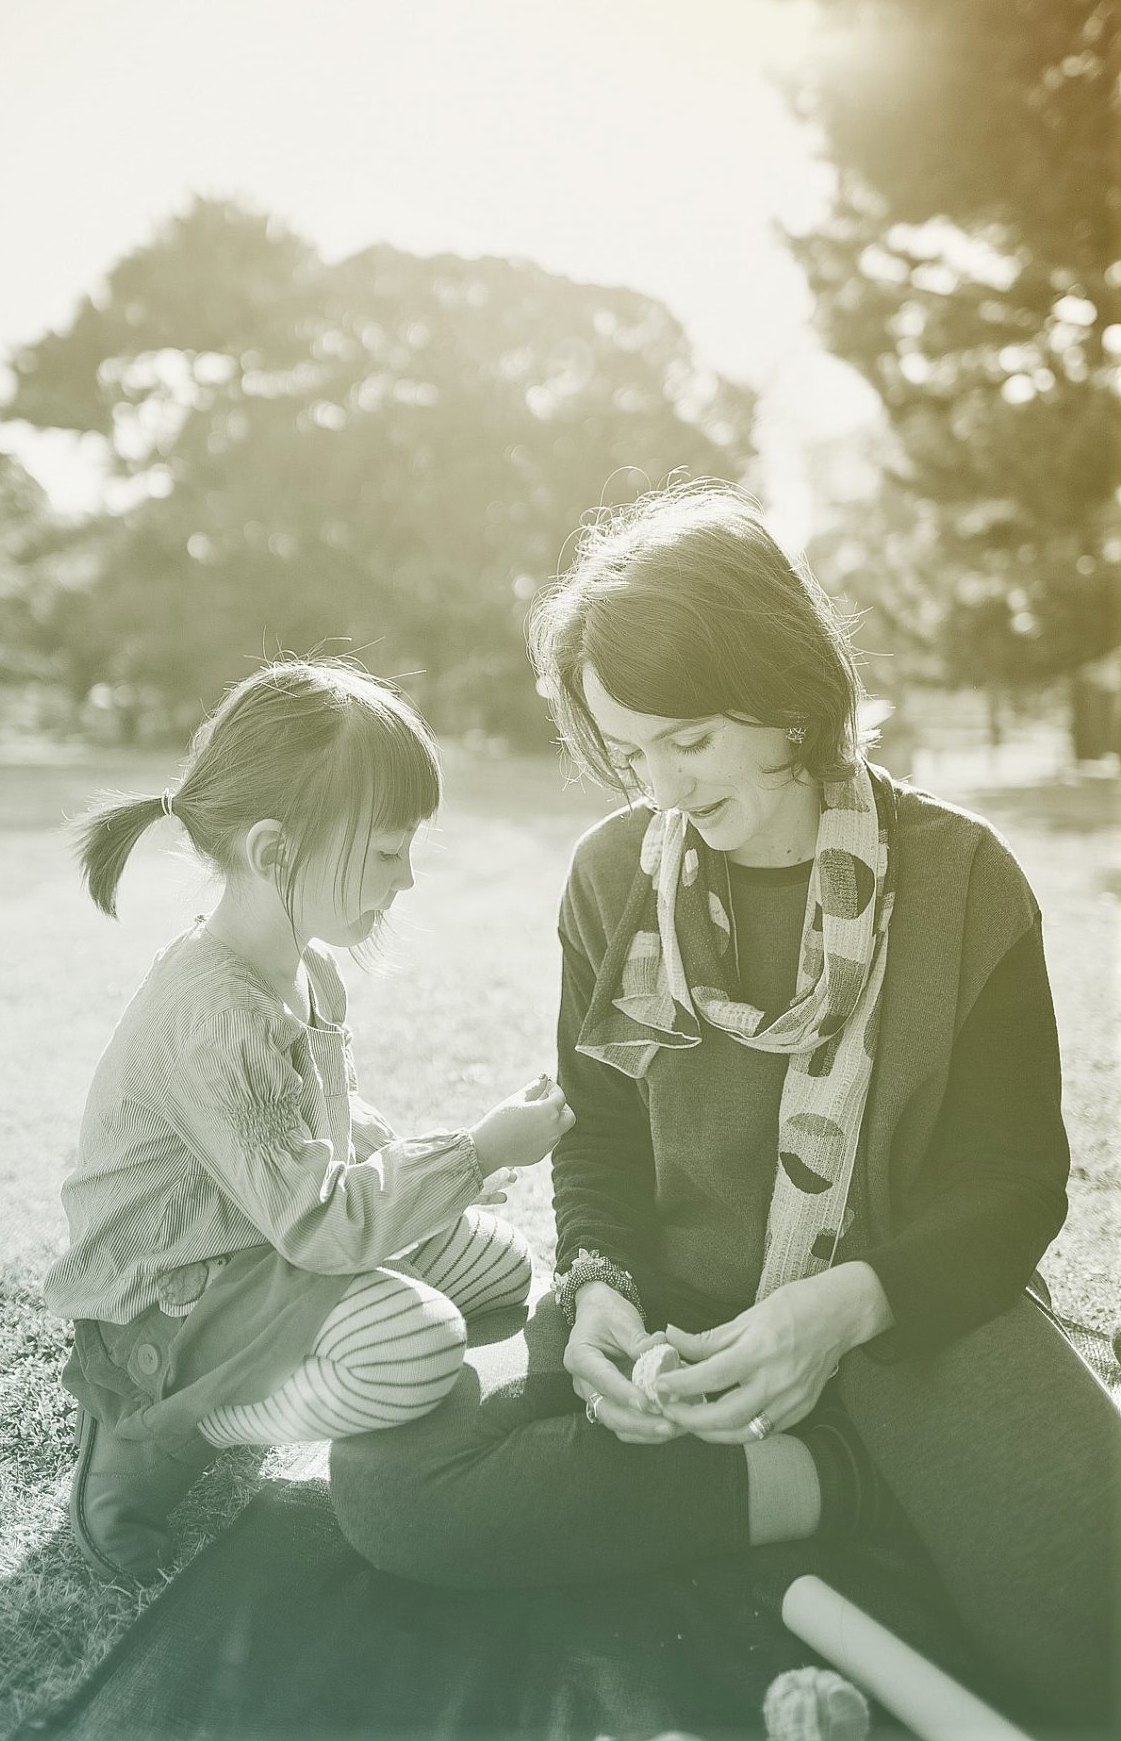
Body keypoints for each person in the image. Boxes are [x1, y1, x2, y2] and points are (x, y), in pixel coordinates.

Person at [329, 482, 1118, 1730]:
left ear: (785, 693)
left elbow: (1011, 1184)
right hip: (681, 1335)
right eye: (627, 751)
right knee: (393, 1491)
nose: (662, 786)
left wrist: (838, 1311)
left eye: (686, 741)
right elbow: (595, 1140)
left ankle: (855, 1459)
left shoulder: (966, 878)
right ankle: (830, 1484)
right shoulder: (608, 878)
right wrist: (594, 1286)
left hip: (906, 1321)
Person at [45, 658, 574, 1582]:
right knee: (421, 1347)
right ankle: (164, 1427)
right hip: (175, 1296)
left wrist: (447, 1164)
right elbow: (320, 1223)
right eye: (383, 850)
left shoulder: (305, 966)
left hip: (265, 1235)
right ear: (274, 851)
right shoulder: (215, 1014)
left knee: (499, 1269)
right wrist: (473, 1149)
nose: (406, 878)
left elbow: (326, 1123)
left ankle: (291, 1366)